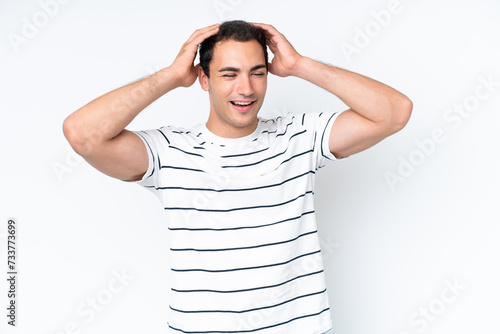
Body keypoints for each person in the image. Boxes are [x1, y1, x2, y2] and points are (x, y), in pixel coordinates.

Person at [63, 20, 412, 334]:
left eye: (257, 73)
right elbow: (82, 134)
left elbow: (394, 113)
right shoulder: (170, 150)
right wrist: (170, 76)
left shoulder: (299, 136)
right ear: (204, 78)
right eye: (229, 74)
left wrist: (300, 65)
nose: (245, 88)